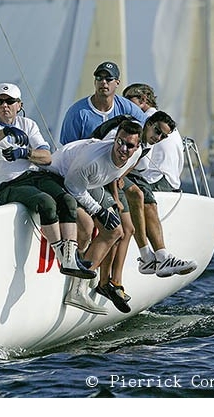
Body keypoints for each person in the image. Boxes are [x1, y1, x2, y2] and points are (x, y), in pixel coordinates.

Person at [0, 83, 95, 281]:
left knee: (68, 201)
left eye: (10, 101)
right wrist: (6, 132)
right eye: (0, 101)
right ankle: (62, 259)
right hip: (6, 185)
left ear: (19, 105)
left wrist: (24, 153)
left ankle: (71, 257)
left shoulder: (28, 124)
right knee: (46, 203)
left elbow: (46, 157)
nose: (5, 105)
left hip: (33, 176)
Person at [43, 120, 145, 314]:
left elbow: (117, 173)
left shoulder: (136, 154)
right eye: (120, 142)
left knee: (116, 230)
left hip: (89, 183)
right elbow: (73, 187)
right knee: (88, 225)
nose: (123, 149)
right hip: (61, 177)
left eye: (129, 145)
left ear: (137, 146)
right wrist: (98, 210)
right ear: (115, 139)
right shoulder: (91, 160)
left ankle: (93, 282)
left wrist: (114, 200)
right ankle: (77, 291)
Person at [119, 110, 197, 277]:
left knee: (150, 202)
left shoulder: (145, 145)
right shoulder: (130, 133)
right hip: (108, 169)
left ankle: (161, 257)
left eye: (163, 136)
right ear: (148, 124)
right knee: (138, 196)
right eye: (157, 131)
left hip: (128, 173)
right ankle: (147, 257)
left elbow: (132, 166)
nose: (158, 137)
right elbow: (113, 161)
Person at [59, 61, 148, 146]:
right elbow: (68, 149)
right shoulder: (77, 112)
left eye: (108, 79)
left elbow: (147, 132)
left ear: (117, 83)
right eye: (99, 78)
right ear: (95, 82)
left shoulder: (128, 108)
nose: (103, 82)